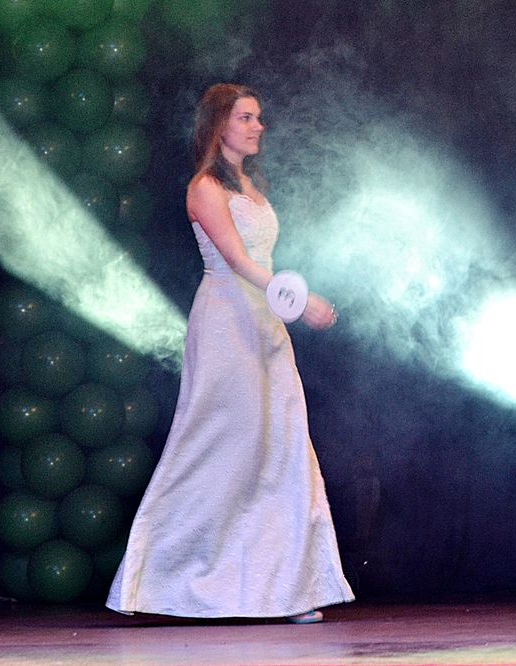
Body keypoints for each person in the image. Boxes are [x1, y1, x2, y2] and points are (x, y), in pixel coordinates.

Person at [105, 83, 354, 623]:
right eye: (245, 117)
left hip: (265, 322)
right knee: (219, 446)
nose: (257, 126)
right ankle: (161, 583)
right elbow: (238, 262)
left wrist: (286, 305)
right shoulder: (204, 187)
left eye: (258, 117)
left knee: (280, 446)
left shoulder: (251, 185)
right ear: (219, 125)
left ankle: (284, 589)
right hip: (227, 321)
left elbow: (262, 260)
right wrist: (299, 300)